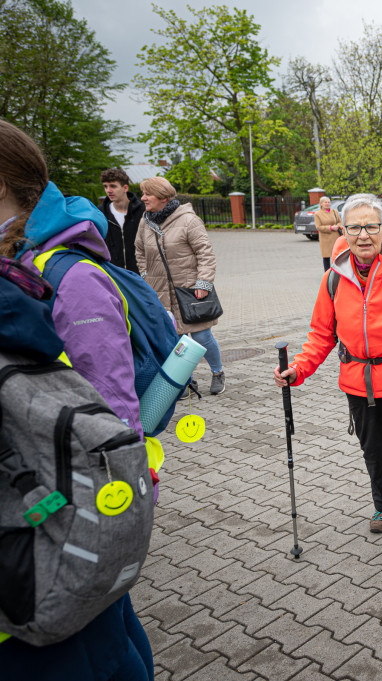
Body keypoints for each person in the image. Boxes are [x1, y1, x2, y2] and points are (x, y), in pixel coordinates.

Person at [0, 119, 154, 681]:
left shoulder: (69, 275)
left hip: (68, 501)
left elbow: (110, 401)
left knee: (106, 642)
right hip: (41, 506)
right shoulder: (20, 269)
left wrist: (121, 495)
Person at [273, 194, 382, 564]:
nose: (363, 235)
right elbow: (321, 335)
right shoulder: (333, 280)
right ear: (343, 231)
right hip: (360, 382)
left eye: (371, 226)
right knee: (376, 452)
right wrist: (297, 370)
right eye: (355, 227)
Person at [134, 177, 225, 395]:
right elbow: (139, 250)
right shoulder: (145, 222)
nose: (143, 198)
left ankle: (218, 371)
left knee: (201, 336)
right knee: (177, 340)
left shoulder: (188, 220)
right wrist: (146, 275)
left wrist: (203, 282)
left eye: (148, 194)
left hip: (190, 291)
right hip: (160, 292)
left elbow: (205, 253)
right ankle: (185, 380)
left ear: (163, 198)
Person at [100, 168, 145, 273]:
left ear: (125, 188)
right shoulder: (100, 214)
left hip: (139, 276)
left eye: (113, 186)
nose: (108, 190)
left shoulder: (142, 212)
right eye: (105, 186)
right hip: (113, 275)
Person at [314, 196, 342, 271]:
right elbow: (318, 227)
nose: (327, 204)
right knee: (326, 257)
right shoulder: (317, 214)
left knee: (336, 255)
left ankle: (337, 271)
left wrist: (337, 226)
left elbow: (340, 221)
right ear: (321, 204)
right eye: (325, 202)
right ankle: (327, 272)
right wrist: (330, 228)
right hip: (325, 238)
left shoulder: (334, 211)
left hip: (336, 237)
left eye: (328, 202)